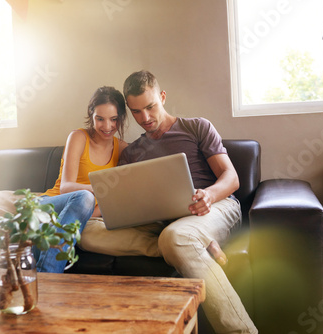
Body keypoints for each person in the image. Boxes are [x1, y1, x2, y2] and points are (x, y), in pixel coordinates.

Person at [79, 71, 257, 334]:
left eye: (150, 107)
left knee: (176, 236)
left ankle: (242, 331)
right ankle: (195, 245)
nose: (145, 118)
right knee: (85, 233)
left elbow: (231, 178)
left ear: (162, 97)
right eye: (137, 112)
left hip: (213, 207)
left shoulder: (196, 127)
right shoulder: (132, 153)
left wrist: (209, 195)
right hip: (162, 221)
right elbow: (128, 200)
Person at [33, 86, 128, 273]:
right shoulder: (78, 137)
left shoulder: (123, 149)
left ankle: (45, 277)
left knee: (86, 199)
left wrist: (88, 213)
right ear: (91, 115)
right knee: (85, 197)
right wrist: (101, 188)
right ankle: (48, 275)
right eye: (100, 119)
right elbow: (66, 187)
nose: (107, 126)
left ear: (121, 118)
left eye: (113, 119)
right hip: (49, 204)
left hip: (76, 212)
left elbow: (118, 197)